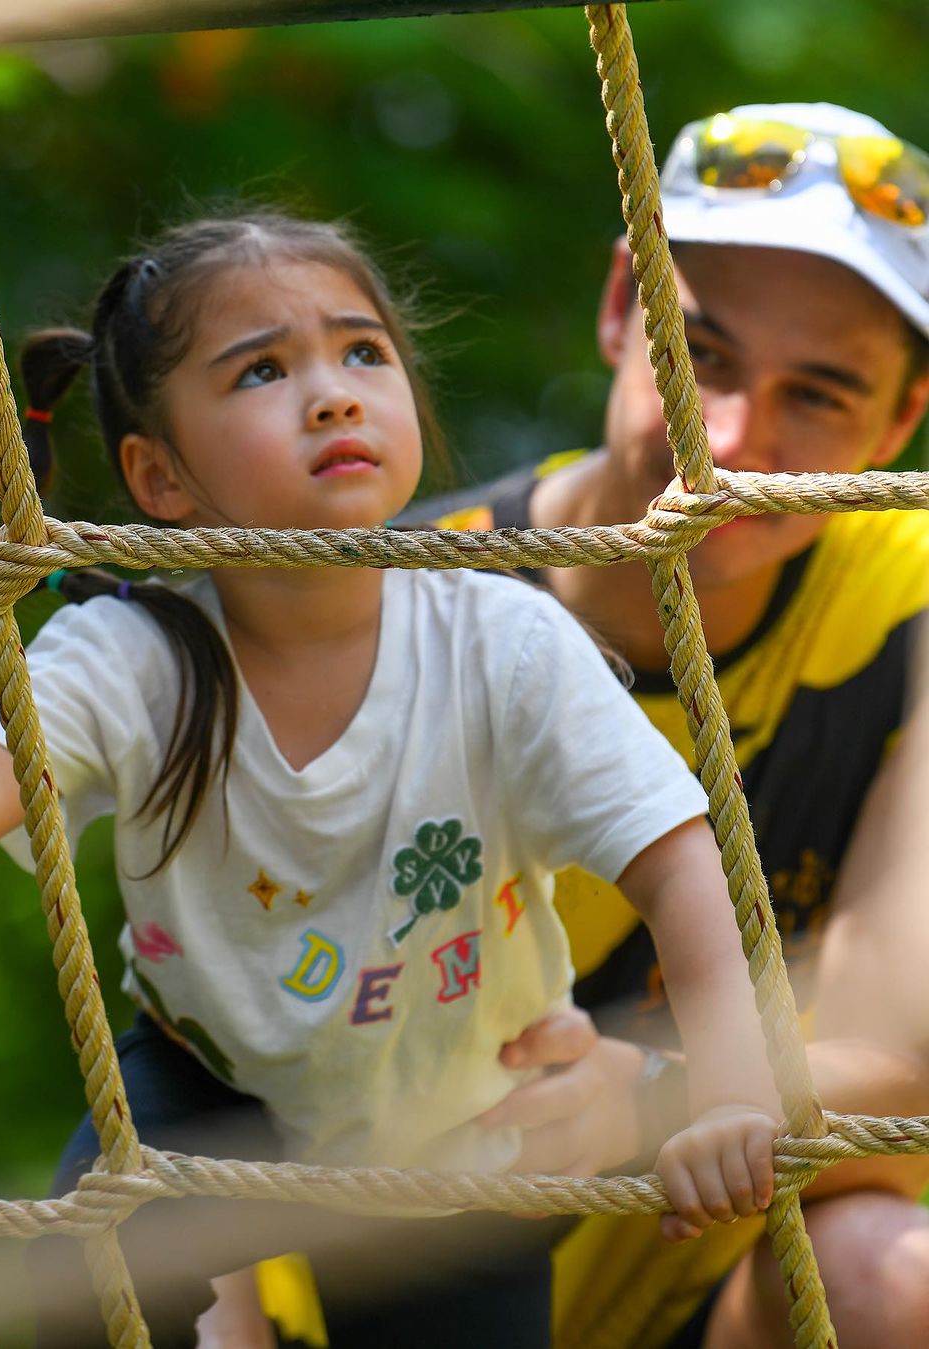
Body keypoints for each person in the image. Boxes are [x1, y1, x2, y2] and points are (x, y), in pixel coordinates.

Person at [0, 211, 782, 1348]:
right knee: (89, 1264)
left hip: (464, 1108)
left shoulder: (503, 639)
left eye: (362, 352)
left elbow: (680, 858)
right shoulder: (132, 655)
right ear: (160, 475)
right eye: (260, 370)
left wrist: (733, 1090)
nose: (332, 393)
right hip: (214, 1084)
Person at [396, 101, 929, 1348]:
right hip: (378, 1275)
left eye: (822, 394)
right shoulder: (403, 604)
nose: (731, 445)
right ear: (622, 302)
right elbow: (221, 1035)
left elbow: (899, 1049)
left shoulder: (905, 596)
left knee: (893, 1278)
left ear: (899, 427)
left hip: (712, 1281)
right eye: (707, 355)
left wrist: (649, 1100)